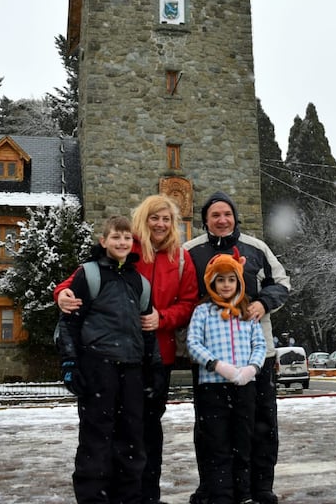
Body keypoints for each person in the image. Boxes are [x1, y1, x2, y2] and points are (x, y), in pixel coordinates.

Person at [55, 194, 198, 504]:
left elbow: (189, 304)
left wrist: (164, 318)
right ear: (142, 221)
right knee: (106, 430)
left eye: (166, 219)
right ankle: (105, 494)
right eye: (154, 218)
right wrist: (62, 293)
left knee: (145, 432)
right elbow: (80, 278)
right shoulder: (126, 248)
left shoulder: (182, 259)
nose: (160, 224)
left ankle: (145, 495)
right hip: (110, 358)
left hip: (156, 355)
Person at [183, 191, 290, 504]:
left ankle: (259, 486)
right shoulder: (189, 251)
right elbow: (179, 293)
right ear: (205, 220)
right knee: (209, 428)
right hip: (210, 361)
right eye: (215, 215)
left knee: (261, 424)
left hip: (256, 355)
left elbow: (282, 282)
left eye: (226, 214)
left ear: (235, 217)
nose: (221, 219)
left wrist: (261, 303)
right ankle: (212, 486)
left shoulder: (257, 248)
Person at [54, 216, 162, 504]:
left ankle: (129, 497)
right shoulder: (88, 274)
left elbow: (147, 329)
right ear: (103, 241)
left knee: (131, 439)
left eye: (126, 238)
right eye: (115, 237)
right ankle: (93, 498)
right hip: (98, 367)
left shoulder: (140, 282)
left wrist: (153, 369)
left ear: (132, 242)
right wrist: (69, 364)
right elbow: (69, 323)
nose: (122, 242)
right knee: (95, 439)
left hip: (132, 369)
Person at [186, 252, 267, 504]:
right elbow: (193, 343)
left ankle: (243, 493)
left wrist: (251, 369)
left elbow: (260, 344)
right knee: (217, 443)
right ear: (212, 283)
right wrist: (217, 365)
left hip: (243, 388)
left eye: (231, 279)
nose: (226, 285)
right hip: (213, 387)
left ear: (239, 282)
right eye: (220, 280)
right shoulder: (203, 312)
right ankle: (221, 494)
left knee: (242, 442)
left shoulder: (247, 312)